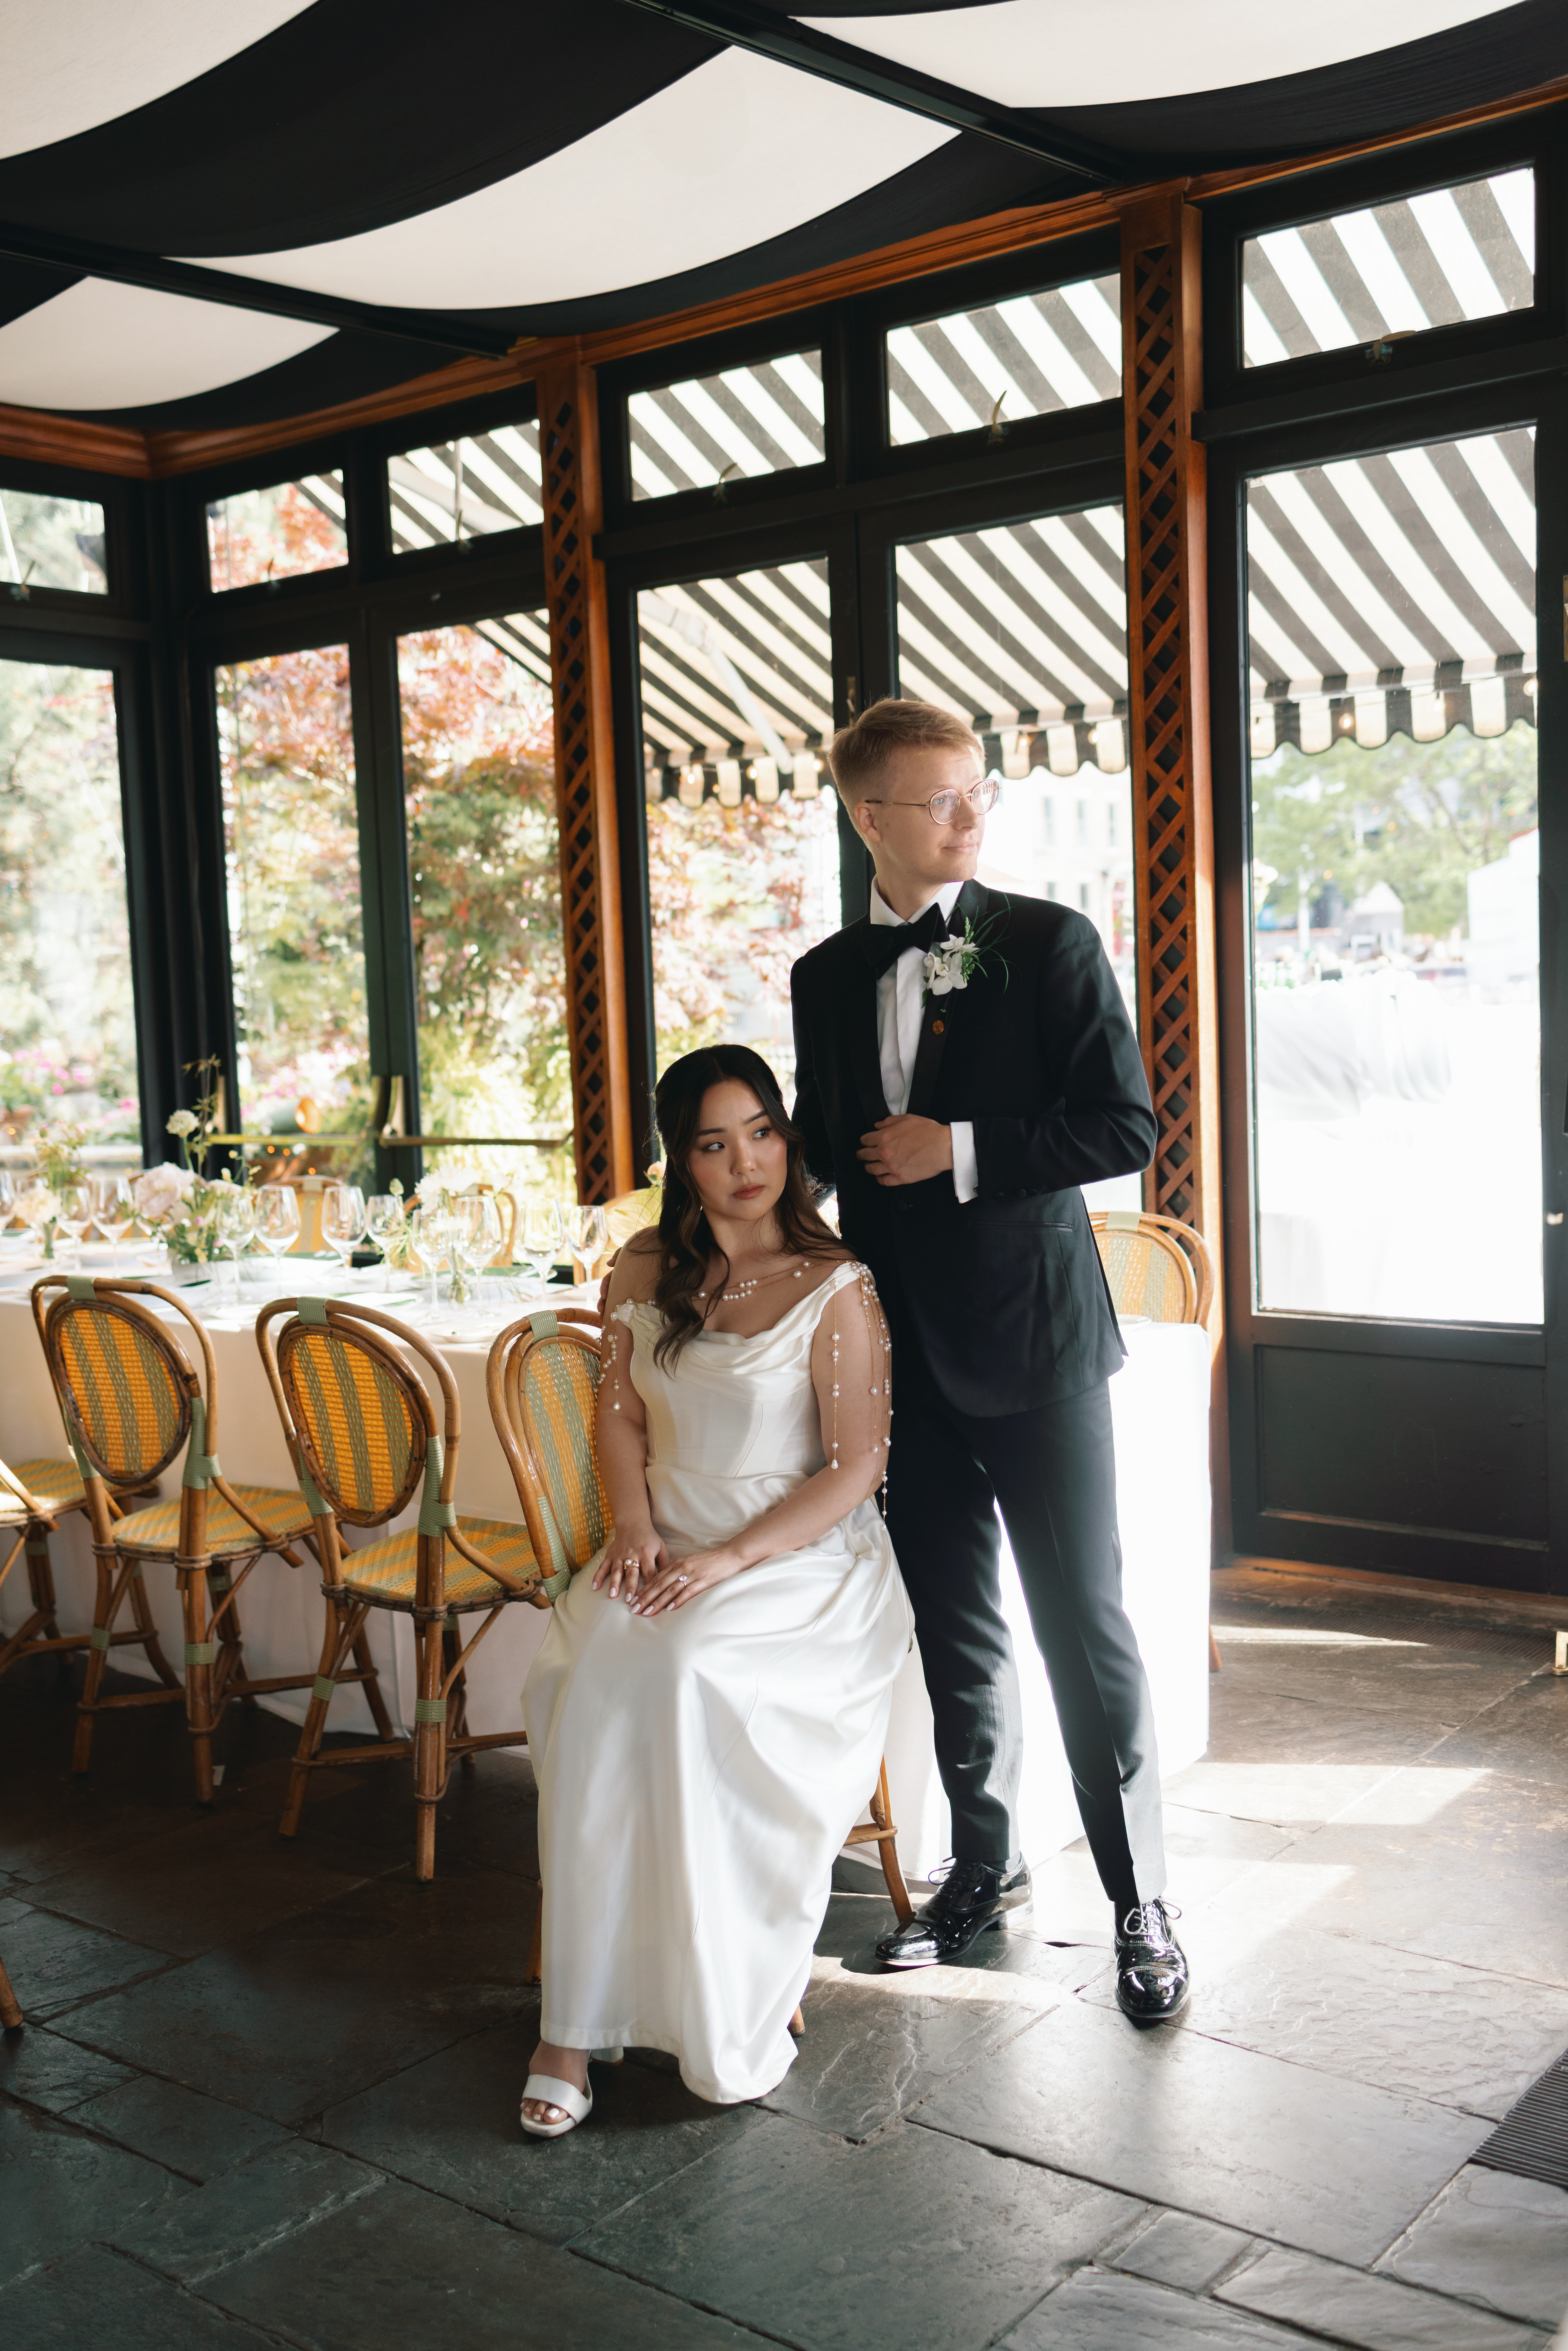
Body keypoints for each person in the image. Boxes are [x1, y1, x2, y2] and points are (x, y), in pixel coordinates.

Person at [789, 697, 1189, 2022]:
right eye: (941, 797)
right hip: (901, 1354)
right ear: (869, 817)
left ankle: (1140, 1896)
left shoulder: (1050, 943)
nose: (972, 814)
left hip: (1038, 1343)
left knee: (1085, 1620)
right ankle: (982, 1861)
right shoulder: (828, 976)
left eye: (979, 792)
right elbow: (818, 1142)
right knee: (956, 1626)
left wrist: (953, 1148)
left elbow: (1120, 1125)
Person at [519, 1044, 913, 2134]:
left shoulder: (837, 1287)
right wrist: (637, 1527)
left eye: (762, 1132)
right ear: (680, 1163)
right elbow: (620, 1415)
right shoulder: (644, 1268)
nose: (746, 1161)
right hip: (669, 1535)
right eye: (713, 1142)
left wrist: (728, 1560)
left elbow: (855, 1466)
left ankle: (729, 1983)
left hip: (795, 1559)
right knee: (591, 1676)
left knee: (689, 1675)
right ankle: (573, 2024)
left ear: (787, 1139)